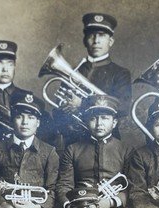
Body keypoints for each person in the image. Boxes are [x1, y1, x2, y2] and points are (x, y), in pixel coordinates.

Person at [56, 94, 135, 208]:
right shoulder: (73, 149)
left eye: (105, 118)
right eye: (94, 118)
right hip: (80, 207)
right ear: (86, 121)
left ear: (114, 122)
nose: (99, 124)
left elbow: (131, 185)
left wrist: (111, 202)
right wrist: (71, 206)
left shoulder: (126, 150)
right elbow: (64, 185)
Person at [53, 13, 131, 143]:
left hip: (108, 142)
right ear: (85, 40)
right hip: (74, 141)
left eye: (102, 35)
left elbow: (123, 107)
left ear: (110, 41)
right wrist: (64, 108)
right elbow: (58, 108)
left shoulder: (120, 73)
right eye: (92, 35)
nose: (96, 41)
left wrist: (82, 104)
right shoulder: (73, 71)